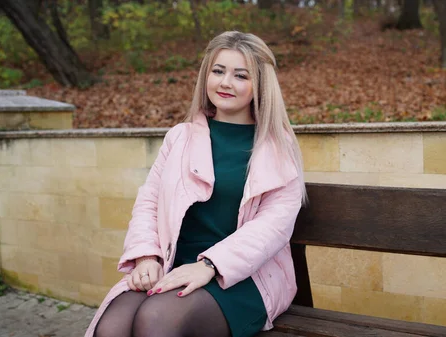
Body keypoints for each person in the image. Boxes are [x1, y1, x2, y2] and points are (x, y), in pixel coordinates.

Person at [85, 31, 307, 337]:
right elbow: (148, 202)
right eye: (218, 71)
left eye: (240, 75)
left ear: (260, 86)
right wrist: (146, 257)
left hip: (245, 276)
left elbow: (273, 226)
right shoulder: (180, 137)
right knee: (112, 328)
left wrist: (210, 266)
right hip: (174, 264)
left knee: (158, 320)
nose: (225, 83)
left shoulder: (276, 146)